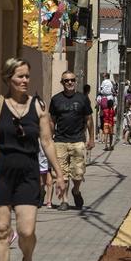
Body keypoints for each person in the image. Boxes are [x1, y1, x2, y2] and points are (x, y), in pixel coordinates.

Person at [0, 59, 66, 261]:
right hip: (1, 173)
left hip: (29, 173)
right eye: (20, 76)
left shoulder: (38, 107)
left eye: (27, 76)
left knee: (26, 230)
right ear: (8, 78)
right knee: (1, 229)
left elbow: (47, 142)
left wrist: (59, 174)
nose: (25, 81)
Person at [50, 71, 95, 211]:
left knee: (78, 173)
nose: (69, 82)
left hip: (78, 141)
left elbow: (89, 119)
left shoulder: (82, 99)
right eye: (66, 81)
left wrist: (91, 138)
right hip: (60, 140)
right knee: (61, 173)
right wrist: (49, 139)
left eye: (72, 80)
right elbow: (52, 121)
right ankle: (64, 200)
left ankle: (76, 191)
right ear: (62, 83)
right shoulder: (56, 99)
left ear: (75, 81)